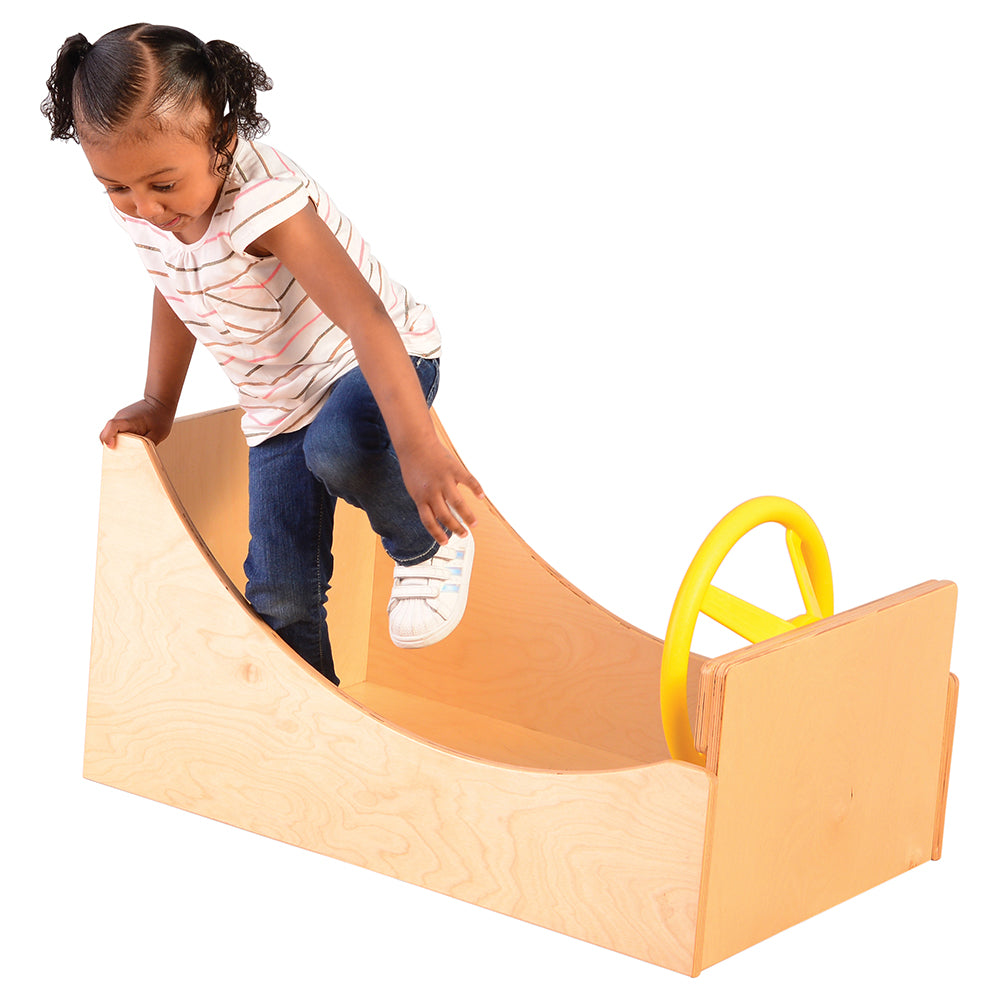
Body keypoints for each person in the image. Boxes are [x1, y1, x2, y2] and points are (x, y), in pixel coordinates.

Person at [43, 23, 483, 685]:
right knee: (278, 593)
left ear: (220, 138)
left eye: (162, 184)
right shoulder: (146, 210)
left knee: (338, 448)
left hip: (369, 361)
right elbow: (175, 285)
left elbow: (366, 318)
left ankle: (431, 547)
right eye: (117, 188)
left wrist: (417, 444)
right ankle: (315, 725)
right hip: (278, 409)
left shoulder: (263, 201)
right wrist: (161, 400)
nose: (144, 208)